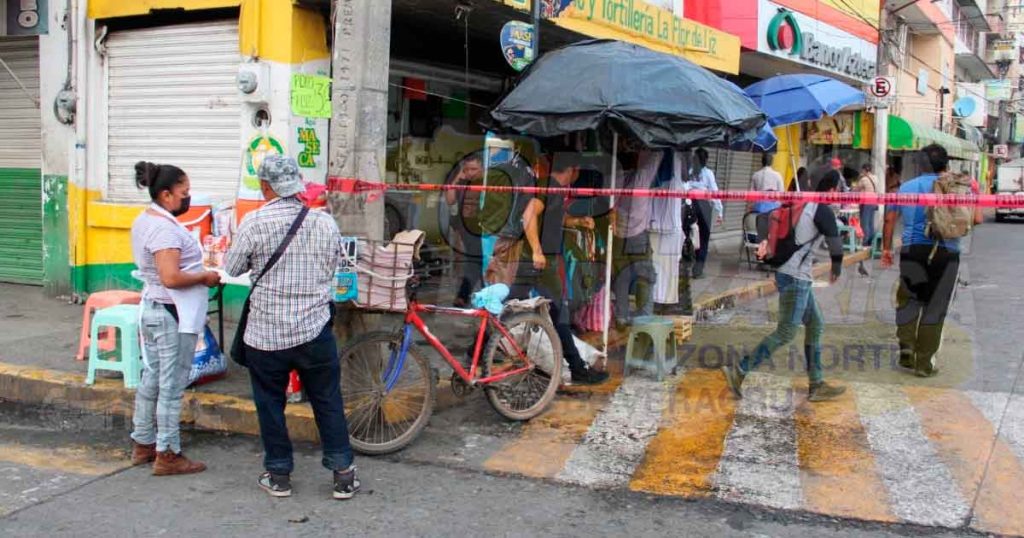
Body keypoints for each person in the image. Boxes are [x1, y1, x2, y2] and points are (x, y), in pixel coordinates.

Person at [225, 155, 359, 500]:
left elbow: (233, 267)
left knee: (270, 403)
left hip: (266, 335)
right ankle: (343, 474)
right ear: (297, 183)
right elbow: (334, 267)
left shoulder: (253, 222)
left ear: (265, 186)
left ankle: (279, 474)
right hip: (314, 330)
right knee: (327, 399)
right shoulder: (324, 222)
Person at [723, 170, 847, 402]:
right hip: (795, 277)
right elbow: (835, 244)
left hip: (793, 275)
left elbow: (767, 218)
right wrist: (837, 269)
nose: (841, 195)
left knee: (816, 324)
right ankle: (740, 369)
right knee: (786, 332)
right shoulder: (822, 210)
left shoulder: (805, 203)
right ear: (832, 190)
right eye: (840, 190)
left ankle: (816, 383)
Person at [129, 161, 220, 475]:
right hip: (171, 314)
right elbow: (170, 276)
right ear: (166, 194)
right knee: (171, 385)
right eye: (184, 192)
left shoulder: (146, 219)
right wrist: (203, 277)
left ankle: (143, 442)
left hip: (155, 309)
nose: (188, 197)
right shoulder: (164, 228)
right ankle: (167, 453)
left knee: (152, 378)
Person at [486, 152, 609, 384]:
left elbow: (553, 217)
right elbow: (529, 216)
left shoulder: (552, 188)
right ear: (573, 170)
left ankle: (479, 346)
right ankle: (578, 369)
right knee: (558, 312)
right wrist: (536, 250)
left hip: (537, 263)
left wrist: (576, 222)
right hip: (540, 263)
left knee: (510, 305)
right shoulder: (548, 188)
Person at [881, 144, 964, 378]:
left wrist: (886, 249)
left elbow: (889, 220)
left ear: (919, 165)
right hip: (947, 252)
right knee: (934, 307)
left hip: (912, 250)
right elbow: (975, 218)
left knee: (909, 299)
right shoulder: (958, 188)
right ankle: (924, 364)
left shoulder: (906, 187)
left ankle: (906, 347)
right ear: (946, 164)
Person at [612, 149, 663, 323]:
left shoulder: (615, 178)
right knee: (645, 277)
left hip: (618, 236)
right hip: (638, 236)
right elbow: (655, 158)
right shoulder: (640, 178)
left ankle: (621, 316)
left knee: (620, 278)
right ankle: (644, 318)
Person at [445, 154, 485, 307]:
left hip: (483, 228)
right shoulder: (463, 181)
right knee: (474, 261)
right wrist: (458, 178)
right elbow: (450, 200)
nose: (470, 173)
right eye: (467, 169)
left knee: (478, 262)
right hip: (466, 228)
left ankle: (465, 295)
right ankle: (466, 295)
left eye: (474, 169)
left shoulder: (487, 182)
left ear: (481, 168)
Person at [650, 150, 686, 312]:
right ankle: (662, 301)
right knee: (660, 268)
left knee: (663, 268)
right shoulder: (669, 159)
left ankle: (663, 301)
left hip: (665, 226)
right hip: (663, 225)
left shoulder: (670, 162)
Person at [686, 148, 724, 278]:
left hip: (688, 204)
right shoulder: (708, 173)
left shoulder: (688, 171)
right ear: (706, 160)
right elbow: (714, 192)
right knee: (703, 238)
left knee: (685, 234)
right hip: (703, 205)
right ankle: (698, 271)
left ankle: (682, 265)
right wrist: (720, 211)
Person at [855, 163, 879, 247]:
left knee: (865, 222)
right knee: (870, 222)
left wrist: (859, 178)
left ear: (864, 170)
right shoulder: (875, 178)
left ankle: (865, 242)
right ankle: (870, 241)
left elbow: (856, 189)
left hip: (866, 202)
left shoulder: (864, 179)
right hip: (874, 201)